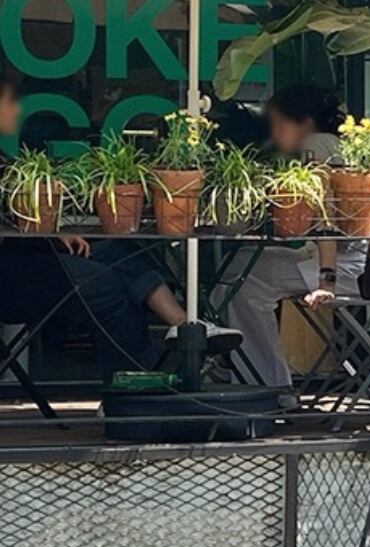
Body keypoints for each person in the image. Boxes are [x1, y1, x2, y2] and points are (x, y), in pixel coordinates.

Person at [0, 75, 240, 381]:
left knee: (121, 250)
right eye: (10, 102)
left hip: (30, 255)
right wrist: (46, 235)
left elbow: (18, 216)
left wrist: (51, 234)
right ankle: (132, 383)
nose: (17, 110)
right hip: (11, 273)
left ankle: (185, 326)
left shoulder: (4, 160)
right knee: (107, 285)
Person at [213, 85, 366, 388]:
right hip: (349, 260)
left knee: (242, 281)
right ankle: (244, 370)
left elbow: (325, 219)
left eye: (278, 124)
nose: (274, 133)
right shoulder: (337, 144)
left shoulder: (314, 147)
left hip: (340, 265)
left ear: (303, 122)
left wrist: (326, 279)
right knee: (241, 269)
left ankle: (263, 382)